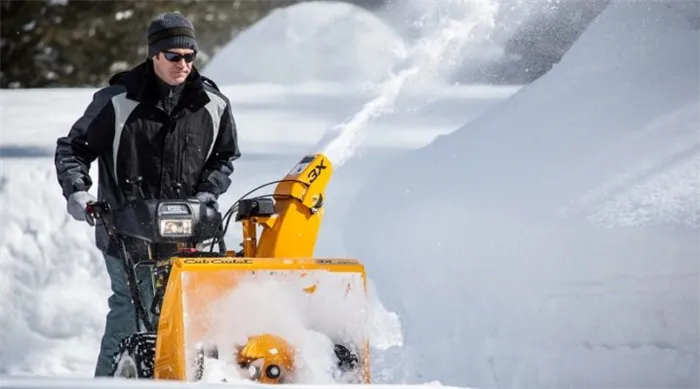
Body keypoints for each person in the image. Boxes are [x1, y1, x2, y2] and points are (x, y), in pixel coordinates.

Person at [53, 11, 241, 377]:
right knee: (131, 309)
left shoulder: (213, 104)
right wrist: (77, 191)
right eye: (173, 56)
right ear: (154, 54)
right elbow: (73, 149)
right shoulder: (117, 101)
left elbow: (224, 158)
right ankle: (109, 381)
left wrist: (207, 193)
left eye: (189, 56)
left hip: (190, 231)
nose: (182, 64)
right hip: (126, 228)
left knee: (191, 313)